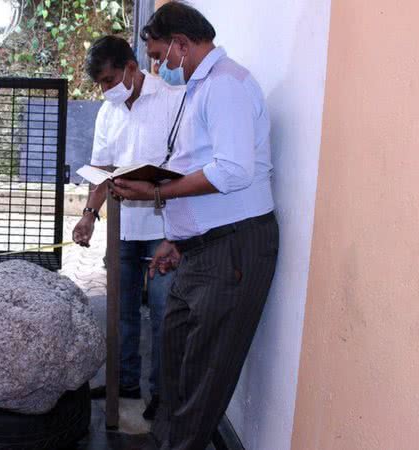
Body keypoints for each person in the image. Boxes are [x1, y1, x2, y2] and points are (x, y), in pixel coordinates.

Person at [111, 3, 279, 449]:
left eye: (161, 56)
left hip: (234, 250)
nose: (159, 66)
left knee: (204, 377)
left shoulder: (225, 86)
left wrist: (158, 195)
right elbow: (195, 163)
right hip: (202, 248)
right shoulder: (199, 87)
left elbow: (232, 171)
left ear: (182, 45)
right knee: (176, 364)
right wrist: (176, 238)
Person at [72, 36, 185, 420]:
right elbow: (102, 170)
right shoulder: (109, 111)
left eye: (109, 80)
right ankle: (125, 382)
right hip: (122, 226)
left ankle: (162, 395)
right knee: (121, 312)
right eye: (100, 84)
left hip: (162, 226)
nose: (106, 90)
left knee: (162, 309)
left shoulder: (172, 101)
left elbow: (185, 167)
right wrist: (89, 214)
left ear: (131, 68)